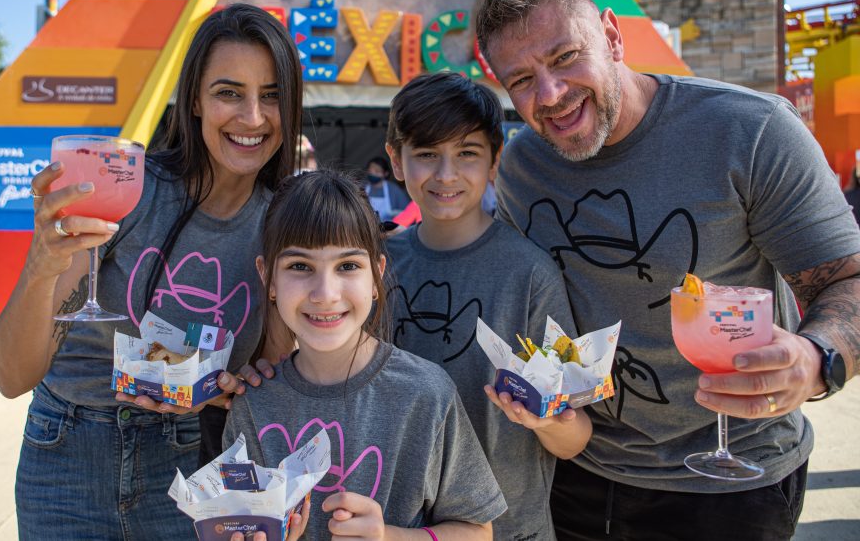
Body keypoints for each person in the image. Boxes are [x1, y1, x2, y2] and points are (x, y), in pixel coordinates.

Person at [475, 0, 860, 540]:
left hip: (734, 482)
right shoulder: (523, 165)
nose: (550, 96)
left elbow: (846, 279)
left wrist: (815, 360)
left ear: (611, 35)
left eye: (563, 58)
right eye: (522, 81)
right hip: (579, 474)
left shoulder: (749, 131)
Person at [0, 4, 303, 540]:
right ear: (195, 102)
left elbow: (269, 375)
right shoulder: (131, 189)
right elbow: (12, 377)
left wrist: (231, 387)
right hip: (69, 449)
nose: (253, 117)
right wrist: (43, 264)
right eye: (229, 92)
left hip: (188, 464)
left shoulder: (283, 222)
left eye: (271, 95)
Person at [223, 169, 506, 540]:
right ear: (269, 279)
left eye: (348, 266)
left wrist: (389, 536)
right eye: (300, 267)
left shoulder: (427, 393)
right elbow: (230, 526)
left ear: (376, 276)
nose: (325, 293)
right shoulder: (254, 405)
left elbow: (477, 530)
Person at [384, 71, 590, 541]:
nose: (446, 174)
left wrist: (545, 421)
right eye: (427, 154)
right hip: (394, 524)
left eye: (467, 154)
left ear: (496, 160)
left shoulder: (531, 274)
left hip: (509, 528)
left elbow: (576, 435)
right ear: (397, 159)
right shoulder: (374, 267)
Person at [364, 155, 410, 221]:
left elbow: (408, 212)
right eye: (370, 171)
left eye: (377, 171)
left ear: (386, 173)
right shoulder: (362, 187)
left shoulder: (394, 190)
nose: (373, 174)